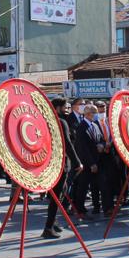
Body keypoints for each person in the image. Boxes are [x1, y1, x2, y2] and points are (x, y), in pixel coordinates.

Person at [43, 98, 83, 239]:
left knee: (60, 192)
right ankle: (48, 227)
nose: (67, 109)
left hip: (49, 163)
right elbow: (68, 144)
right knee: (57, 195)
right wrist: (77, 162)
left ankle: (52, 222)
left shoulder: (45, 121)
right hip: (61, 164)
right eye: (65, 107)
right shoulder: (61, 122)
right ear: (58, 108)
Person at [73, 104, 105, 215]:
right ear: (87, 114)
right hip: (87, 162)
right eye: (94, 112)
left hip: (98, 160)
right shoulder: (81, 127)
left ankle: (97, 206)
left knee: (96, 185)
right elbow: (83, 148)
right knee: (83, 185)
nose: (96, 115)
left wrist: (101, 145)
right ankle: (79, 208)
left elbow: (101, 138)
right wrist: (91, 163)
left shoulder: (95, 125)